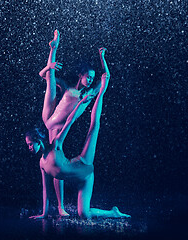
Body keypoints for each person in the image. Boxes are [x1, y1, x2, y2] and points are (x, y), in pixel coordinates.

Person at [26, 69, 131, 219]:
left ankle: (101, 93)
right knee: (84, 214)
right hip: (77, 170)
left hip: (84, 168)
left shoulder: (56, 145)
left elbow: (69, 121)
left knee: (94, 127)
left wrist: (90, 94)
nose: (29, 148)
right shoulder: (42, 163)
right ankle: (112, 213)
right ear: (79, 75)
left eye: (30, 144)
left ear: (38, 140)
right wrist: (44, 214)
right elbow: (45, 190)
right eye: (87, 76)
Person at [36, 30, 110, 217]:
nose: (91, 80)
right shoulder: (69, 88)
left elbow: (104, 81)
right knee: (50, 79)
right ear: (80, 75)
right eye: (88, 76)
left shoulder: (87, 96)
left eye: (92, 78)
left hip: (56, 127)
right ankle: (54, 48)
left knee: (56, 165)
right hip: (50, 119)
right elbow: (42, 74)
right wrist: (49, 67)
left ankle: (60, 207)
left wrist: (102, 59)